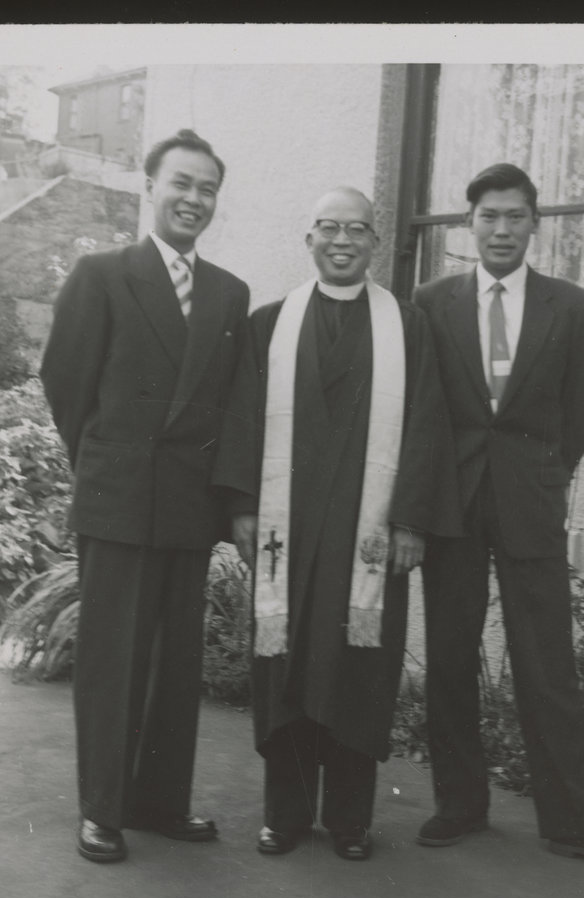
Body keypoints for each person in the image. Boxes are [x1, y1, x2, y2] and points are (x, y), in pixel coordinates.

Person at [412, 163, 584, 874]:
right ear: (469, 224)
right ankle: (460, 803)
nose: (501, 228)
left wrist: (542, 476)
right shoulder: (432, 301)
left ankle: (574, 821)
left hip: (530, 502)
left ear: (534, 226)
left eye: (515, 216)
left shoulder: (570, 306)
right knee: (451, 657)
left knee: (546, 664)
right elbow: (423, 409)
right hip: (452, 504)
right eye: (488, 215)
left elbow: (580, 414)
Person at [213, 187, 460, 862]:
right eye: (329, 227)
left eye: (357, 229)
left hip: (369, 536)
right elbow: (239, 417)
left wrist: (411, 520)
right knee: (285, 664)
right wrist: (240, 506)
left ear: (375, 242)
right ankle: (285, 815)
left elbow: (427, 427)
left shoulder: (407, 328)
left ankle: (350, 819)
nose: (342, 240)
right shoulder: (269, 324)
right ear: (309, 238)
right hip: (287, 538)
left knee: (358, 672)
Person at [41, 130, 251, 863]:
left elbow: (225, 404)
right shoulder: (102, 274)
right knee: (112, 661)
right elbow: (67, 383)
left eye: (207, 189)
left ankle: (159, 802)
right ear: (150, 187)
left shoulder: (229, 292)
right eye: (181, 184)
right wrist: (109, 464)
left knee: (175, 664)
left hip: (187, 508)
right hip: (121, 497)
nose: (194, 199)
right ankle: (102, 808)